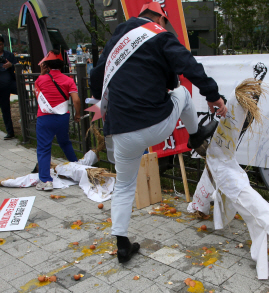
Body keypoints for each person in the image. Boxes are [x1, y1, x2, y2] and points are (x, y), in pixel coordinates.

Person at [89, 2, 227, 263]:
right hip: (154, 124)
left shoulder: (116, 39)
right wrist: (213, 95)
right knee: (183, 93)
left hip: (121, 132)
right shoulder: (158, 33)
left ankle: (121, 244)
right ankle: (195, 136)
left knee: (125, 185)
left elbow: (96, 80)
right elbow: (188, 64)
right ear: (160, 20)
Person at [34, 50, 80, 191]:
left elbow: (38, 92)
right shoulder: (68, 80)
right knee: (65, 142)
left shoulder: (40, 80)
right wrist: (77, 114)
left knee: (43, 148)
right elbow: (76, 100)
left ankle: (46, 181)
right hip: (62, 117)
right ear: (61, 65)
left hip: (44, 117)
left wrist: (42, 73)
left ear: (46, 65)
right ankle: (78, 169)